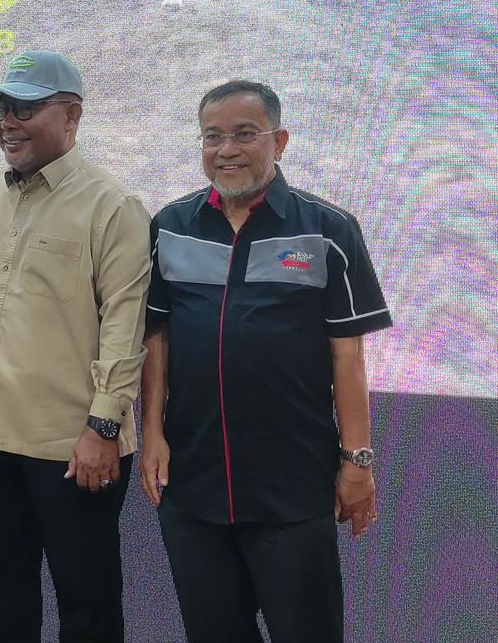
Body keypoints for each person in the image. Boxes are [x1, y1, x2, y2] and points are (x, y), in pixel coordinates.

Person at [140, 79, 391, 643]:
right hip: (194, 483)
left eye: (244, 134)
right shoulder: (170, 227)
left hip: (293, 485)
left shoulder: (328, 231)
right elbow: (157, 337)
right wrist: (150, 431)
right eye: (213, 136)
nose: (226, 149)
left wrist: (358, 460)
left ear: (279, 141)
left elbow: (347, 356)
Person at [0, 51, 151, 643]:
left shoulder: (113, 207)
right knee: (1, 598)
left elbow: (125, 333)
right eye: (1, 108)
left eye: (25, 108)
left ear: (72, 117)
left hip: (73, 445)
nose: (7, 122)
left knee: (88, 606)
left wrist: (103, 430)